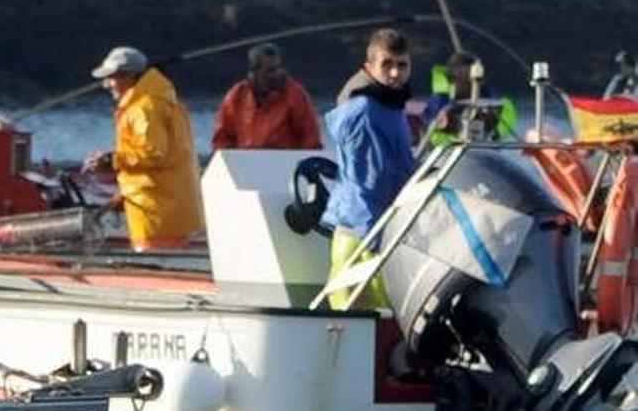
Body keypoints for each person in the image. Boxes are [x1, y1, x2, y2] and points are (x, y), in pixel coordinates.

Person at [322, 29, 416, 310]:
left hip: (378, 225)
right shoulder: (365, 112)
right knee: (376, 308)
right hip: (361, 231)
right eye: (387, 64)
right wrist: (374, 238)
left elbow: (399, 167)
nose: (395, 73)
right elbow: (368, 182)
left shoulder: (391, 106)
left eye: (402, 65)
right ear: (369, 67)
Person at [83, 46, 204, 251]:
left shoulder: (144, 107)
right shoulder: (161, 100)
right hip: (169, 205)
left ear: (129, 76)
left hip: (157, 210)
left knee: (158, 264)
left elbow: (152, 154)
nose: (105, 84)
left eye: (110, 77)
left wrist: (111, 160)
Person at [211, 43, 322, 150]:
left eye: (279, 68)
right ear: (255, 71)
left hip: (285, 163)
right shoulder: (236, 96)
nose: (277, 73)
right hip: (244, 163)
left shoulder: (295, 94)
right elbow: (222, 138)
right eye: (270, 70)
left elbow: (310, 137)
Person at [422, 51, 517, 147]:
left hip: (481, 152)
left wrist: (491, 123)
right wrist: (450, 124)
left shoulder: (494, 101)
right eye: (461, 77)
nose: (468, 83)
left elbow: (501, 129)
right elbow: (430, 126)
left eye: (471, 77)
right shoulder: (439, 102)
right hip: (445, 153)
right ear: (451, 78)